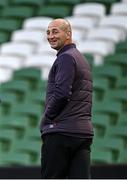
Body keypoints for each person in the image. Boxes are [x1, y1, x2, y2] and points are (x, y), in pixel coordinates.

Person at [40, 18, 94, 179]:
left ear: (68, 34)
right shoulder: (80, 58)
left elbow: (62, 93)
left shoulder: (65, 58)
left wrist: (46, 119)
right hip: (82, 133)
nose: (50, 36)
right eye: (48, 32)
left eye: (55, 31)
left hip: (62, 132)